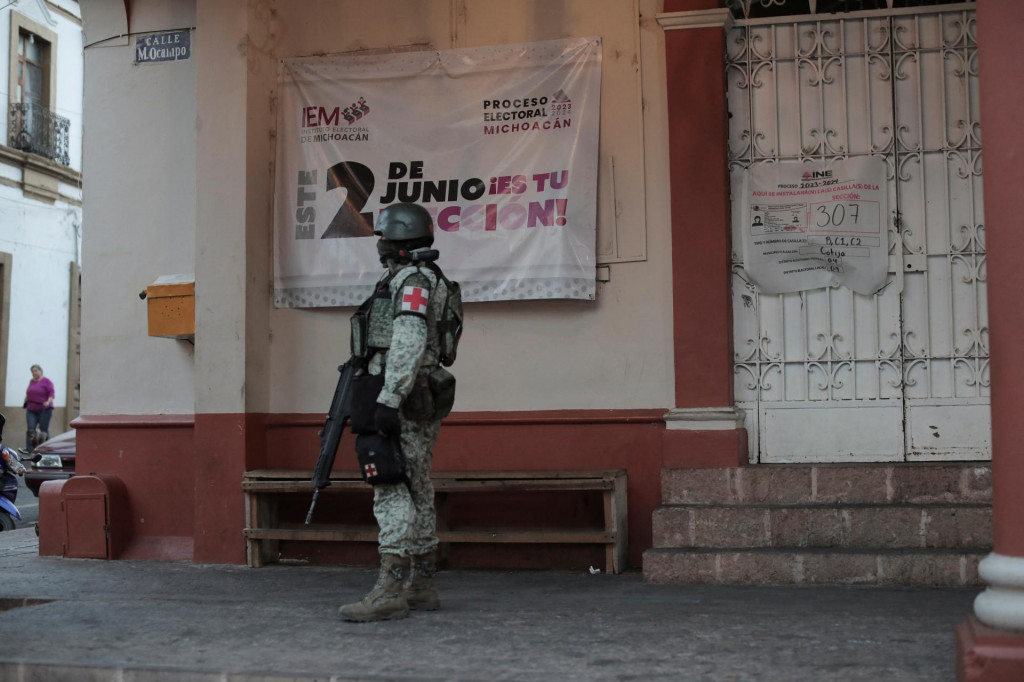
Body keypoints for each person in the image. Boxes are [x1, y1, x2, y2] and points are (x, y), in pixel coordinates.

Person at [339, 202, 453, 623]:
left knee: (391, 486)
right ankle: (421, 585)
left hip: (399, 397)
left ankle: (390, 590)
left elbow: (409, 338)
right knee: (418, 486)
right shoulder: (421, 277)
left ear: (394, 239)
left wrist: (389, 399)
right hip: (416, 396)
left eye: (382, 237)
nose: (380, 244)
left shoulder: (412, 281)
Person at [24, 365, 55, 450]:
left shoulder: (46, 381)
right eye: (32, 371)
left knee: (43, 429)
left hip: (44, 409)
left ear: (41, 371)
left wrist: (48, 402)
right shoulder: (31, 381)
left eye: (36, 370)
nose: (34, 373)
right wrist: (26, 399)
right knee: (31, 429)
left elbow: (51, 393)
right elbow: (29, 392)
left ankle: (46, 448)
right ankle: (30, 449)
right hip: (31, 409)